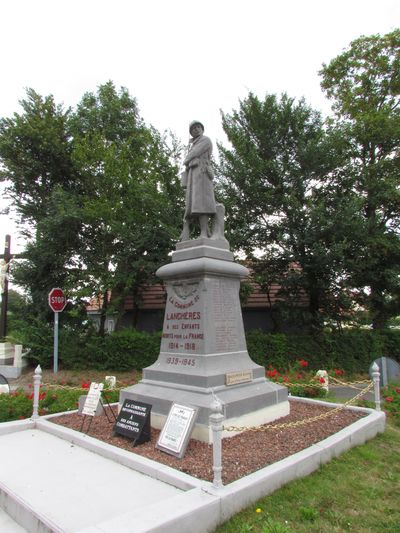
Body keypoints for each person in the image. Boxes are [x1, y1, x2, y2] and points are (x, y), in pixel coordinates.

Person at [180, 121, 216, 240]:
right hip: (194, 175)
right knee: (194, 205)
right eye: (193, 128)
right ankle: (205, 232)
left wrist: (186, 160)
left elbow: (195, 153)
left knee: (203, 204)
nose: (196, 129)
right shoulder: (194, 144)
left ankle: (204, 233)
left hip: (202, 173)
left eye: (198, 127)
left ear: (202, 129)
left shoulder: (205, 140)